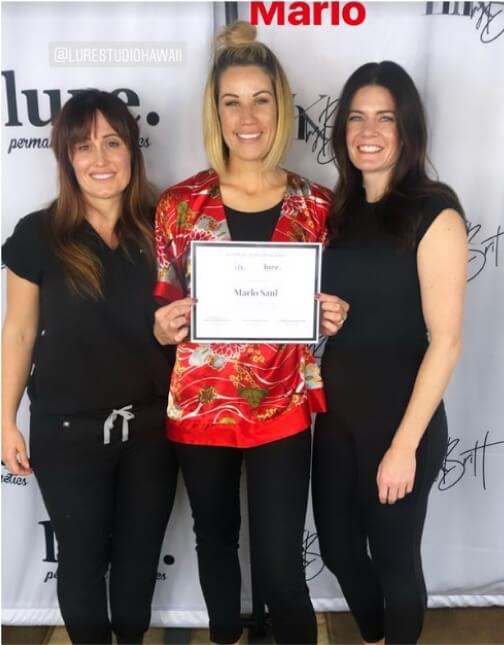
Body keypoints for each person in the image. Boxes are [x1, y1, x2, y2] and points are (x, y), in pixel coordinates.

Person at [152, 21, 348, 645]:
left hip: (283, 404)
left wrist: (331, 315)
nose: (247, 117)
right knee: (214, 540)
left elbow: (326, 307)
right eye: (231, 101)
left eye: (261, 99)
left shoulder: (318, 205)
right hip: (201, 403)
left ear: (280, 106)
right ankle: (223, 637)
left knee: (281, 562)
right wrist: (164, 325)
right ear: (215, 112)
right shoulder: (179, 205)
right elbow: (165, 303)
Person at [1, 90, 178, 645]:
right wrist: (5, 419)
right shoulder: (38, 234)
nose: (100, 159)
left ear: (132, 150)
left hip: (151, 429)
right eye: (83, 146)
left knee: (138, 564)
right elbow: (19, 331)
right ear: (67, 158)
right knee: (80, 564)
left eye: (112, 142)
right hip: (67, 432)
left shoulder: (165, 225)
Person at [312, 61, 468, 645]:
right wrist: (322, 315)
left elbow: (446, 341)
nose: (368, 131)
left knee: (396, 560)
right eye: (356, 117)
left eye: (385, 118)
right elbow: (348, 310)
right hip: (336, 416)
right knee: (337, 548)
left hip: (400, 420)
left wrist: (404, 447)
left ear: (408, 129)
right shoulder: (340, 212)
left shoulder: (435, 212)